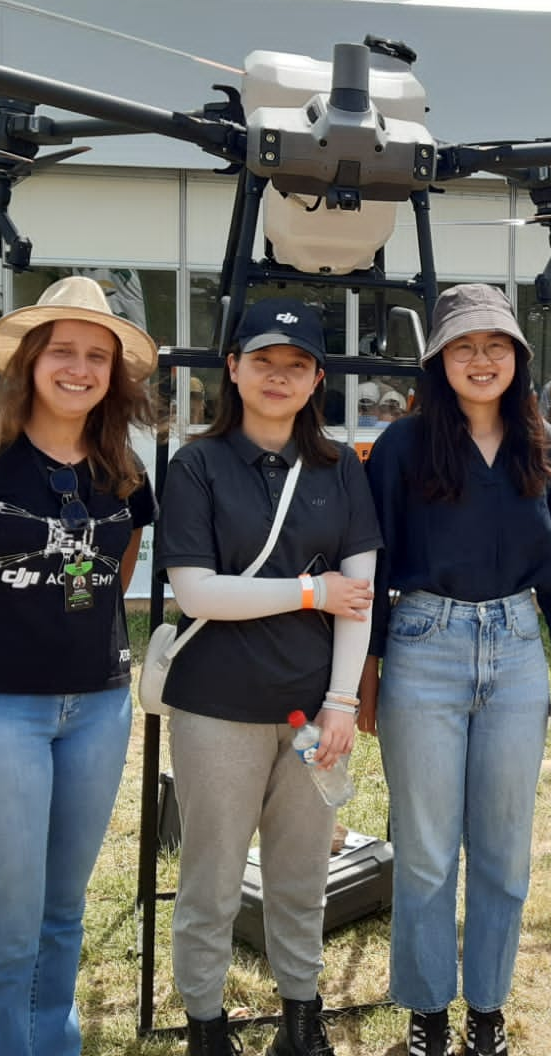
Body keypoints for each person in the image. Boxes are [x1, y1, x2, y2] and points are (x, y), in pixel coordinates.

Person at [0, 275, 159, 1056]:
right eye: (62, 351)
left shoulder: (123, 469)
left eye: (97, 357)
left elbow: (114, 575)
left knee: (64, 914)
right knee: (10, 929)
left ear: (114, 375)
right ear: (30, 361)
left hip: (98, 711)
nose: (78, 369)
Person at [358, 283, 551, 1056]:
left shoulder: (544, 446)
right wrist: (368, 664)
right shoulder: (401, 446)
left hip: (521, 650)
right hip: (426, 644)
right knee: (426, 849)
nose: (481, 360)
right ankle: (427, 1009)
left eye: (496, 346)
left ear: (519, 360)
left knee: (503, 846)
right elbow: (375, 559)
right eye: (464, 346)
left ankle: (486, 1008)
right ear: (439, 361)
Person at [153, 298, 382, 1056]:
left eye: (296, 365)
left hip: (314, 713)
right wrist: (308, 591)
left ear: (317, 378)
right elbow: (199, 593)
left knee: (301, 873)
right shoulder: (196, 465)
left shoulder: (339, 468)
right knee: (211, 878)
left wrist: (344, 702)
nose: (278, 378)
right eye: (262, 361)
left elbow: (363, 596)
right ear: (234, 368)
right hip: (215, 707)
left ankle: (301, 1018)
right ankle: (205, 1025)